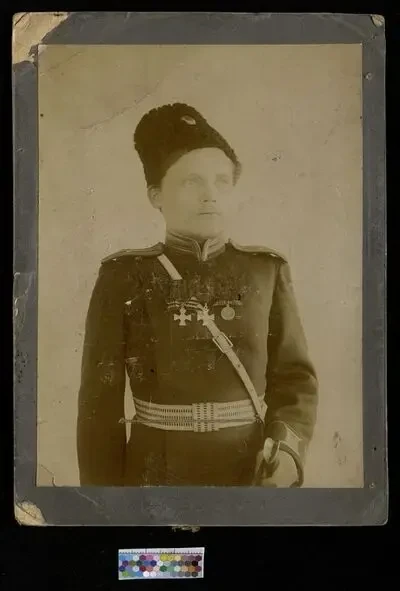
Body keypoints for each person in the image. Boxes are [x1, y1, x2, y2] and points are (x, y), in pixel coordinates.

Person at [77, 102, 318, 487]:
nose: (210, 195)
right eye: (191, 181)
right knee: (160, 535)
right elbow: (99, 407)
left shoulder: (266, 271)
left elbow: (295, 379)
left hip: (251, 475)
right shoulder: (123, 276)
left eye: (222, 181)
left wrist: (288, 453)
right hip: (155, 478)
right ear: (156, 195)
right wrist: (102, 503)